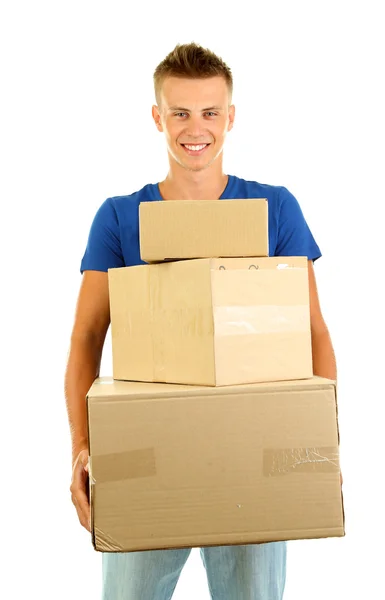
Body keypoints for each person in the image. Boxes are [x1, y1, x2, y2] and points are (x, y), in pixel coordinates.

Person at [65, 42, 337, 600]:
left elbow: (312, 331)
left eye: (211, 112)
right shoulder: (120, 217)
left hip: (253, 448)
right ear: (157, 117)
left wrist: (320, 444)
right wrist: (83, 449)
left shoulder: (274, 209)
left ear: (230, 117)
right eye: (180, 112)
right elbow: (87, 337)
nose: (197, 128)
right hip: (148, 449)